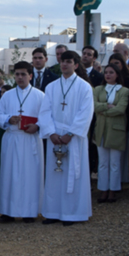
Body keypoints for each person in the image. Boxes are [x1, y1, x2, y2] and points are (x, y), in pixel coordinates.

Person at [39, 51, 94, 226]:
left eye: (69, 62)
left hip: (74, 138)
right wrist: (51, 133)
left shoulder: (84, 87)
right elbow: (45, 111)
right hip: (55, 136)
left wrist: (70, 134)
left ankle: (72, 214)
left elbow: (85, 113)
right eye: (63, 61)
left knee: (73, 174)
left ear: (76, 65)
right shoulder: (51, 87)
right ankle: (53, 212)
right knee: (55, 175)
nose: (64, 65)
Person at [0, 62, 45, 223]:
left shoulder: (40, 95)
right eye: (17, 74)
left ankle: (29, 211)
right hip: (12, 138)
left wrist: (37, 126)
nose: (20, 77)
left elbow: (47, 117)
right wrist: (9, 119)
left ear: (31, 76)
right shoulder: (7, 95)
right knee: (9, 175)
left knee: (30, 175)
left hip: (30, 140)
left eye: (23, 74)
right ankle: (8, 211)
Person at [92, 63, 129, 203]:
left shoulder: (124, 91)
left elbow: (120, 109)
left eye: (111, 72)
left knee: (114, 163)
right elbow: (94, 106)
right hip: (101, 129)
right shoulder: (98, 89)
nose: (107, 74)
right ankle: (103, 190)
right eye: (106, 72)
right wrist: (107, 106)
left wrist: (103, 110)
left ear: (117, 75)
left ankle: (113, 190)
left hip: (116, 130)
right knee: (103, 163)